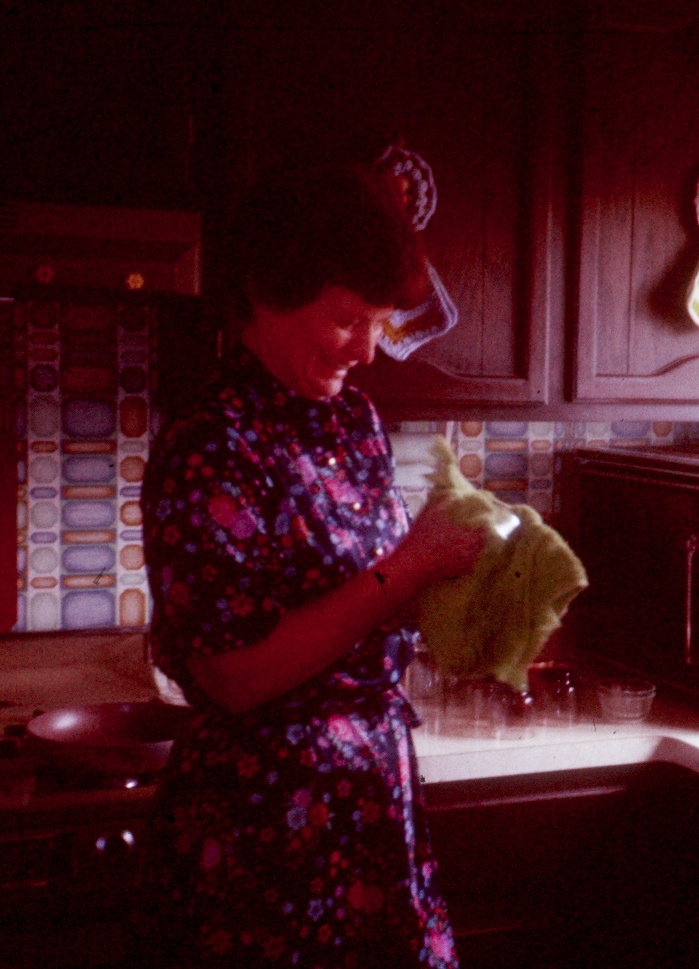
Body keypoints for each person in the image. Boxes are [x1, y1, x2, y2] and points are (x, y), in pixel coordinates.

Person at [141, 162, 486, 968]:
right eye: (347, 319)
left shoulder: (352, 422)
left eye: (380, 322)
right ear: (268, 293)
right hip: (265, 828)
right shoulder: (210, 442)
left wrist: (466, 573)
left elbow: (370, 597)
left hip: (373, 804)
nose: (368, 350)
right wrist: (408, 569)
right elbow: (232, 674)